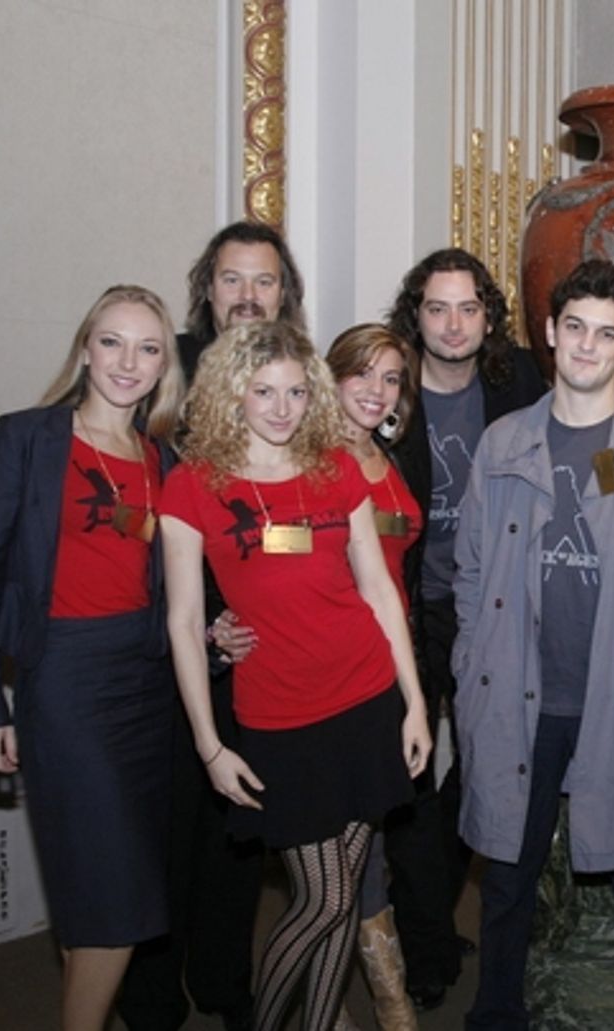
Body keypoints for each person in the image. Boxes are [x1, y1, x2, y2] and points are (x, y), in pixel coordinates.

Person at [159, 321, 432, 1031]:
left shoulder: (336, 468)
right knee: (325, 898)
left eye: (296, 392)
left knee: (341, 899)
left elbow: (379, 591)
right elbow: (184, 623)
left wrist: (413, 703)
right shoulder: (191, 486)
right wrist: (210, 746)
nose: (282, 408)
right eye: (264, 392)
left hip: (367, 697)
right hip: (281, 717)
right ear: (232, 394)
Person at [453, 259, 614, 1030]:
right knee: (506, 884)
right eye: (575, 328)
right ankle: (496, 1017)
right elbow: (469, 570)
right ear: (550, 333)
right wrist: (470, 660)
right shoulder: (503, 443)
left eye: (606, 333)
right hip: (518, 700)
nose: (588, 345)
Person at [0, 285, 186, 1031]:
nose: (128, 362)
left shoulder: (161, 458)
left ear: (164, 365)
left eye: (148, 348)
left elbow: (168, 583)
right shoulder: (26, 438)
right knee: (117, 900)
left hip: (145, 687)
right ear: (85, 348)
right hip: (64, 678)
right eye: (112, 341)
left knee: (95, 891)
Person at [121, 218, 307, 1031]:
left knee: (239, 831)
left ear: (284, 292)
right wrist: (198, 621)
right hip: (168, 639)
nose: (248, 295)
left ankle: (226, 982)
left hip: (258, 645)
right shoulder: (165, 372)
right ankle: (152, 996)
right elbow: (135, 506)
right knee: (164, 829)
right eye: (233, 279)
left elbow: (301, 509)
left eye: (264, 280)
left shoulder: (292, 373)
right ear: (207, 288)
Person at [382, 247, 545, 1008]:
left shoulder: (520, 383)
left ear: (489, 318)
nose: (453, 325)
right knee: (409, 782)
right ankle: (426, 947)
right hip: (409, 611)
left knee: (484, 768)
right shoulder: (387, 390)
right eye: (437, 308)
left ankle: (429, 913)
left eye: (468, 308)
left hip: (494, 607)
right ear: (415, 316)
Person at [325, 323, 424, 1030]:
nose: (377, 389)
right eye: (362, 373)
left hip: (388, 665)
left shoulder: (386, 457)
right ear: (331, 378)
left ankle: (385, 1000)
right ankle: (346, 1007)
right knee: (331, 857)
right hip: (329, 671)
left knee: (368, 845)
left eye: (391, 378)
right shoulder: (307, 459)